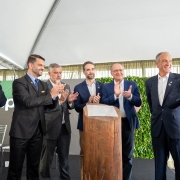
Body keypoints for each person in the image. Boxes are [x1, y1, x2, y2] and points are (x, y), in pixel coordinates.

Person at [7, 54, 62, 180]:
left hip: (37, 133)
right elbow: (28, 102)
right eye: (40, 65)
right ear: (30, 65)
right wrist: (50, 95)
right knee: (15, 169)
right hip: (20, 132)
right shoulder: (19, 82)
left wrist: (57, 99)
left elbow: (46, 106)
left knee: (34, 168)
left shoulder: (43, 85)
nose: (43, 68)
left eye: (43, 65)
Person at [101, 63, 141, 180]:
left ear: (123, 71)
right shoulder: (106, 87)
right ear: (111, 73)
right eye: (116, 71)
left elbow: (138, 102)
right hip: (111, 125)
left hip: (127, 123)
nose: (119, 72)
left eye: (120, 70)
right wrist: (115, 95)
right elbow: (103, 102)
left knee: (127, 155)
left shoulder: (132, 84)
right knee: (112, 154)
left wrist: (130, 96)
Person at [39, 63, 78, 180]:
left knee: (64, 159)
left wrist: (70, 101)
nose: (58, 75)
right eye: (55, 72)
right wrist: (59, 101)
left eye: (60, 72)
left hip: (64, 128)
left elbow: (69, 106)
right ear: (49, 73)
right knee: (47, 160)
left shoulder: (66, 86)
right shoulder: (42, 87)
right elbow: (42, 108)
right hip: (49, 128)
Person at [145, 52, 180, 180]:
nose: (168, 63)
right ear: (157, 63)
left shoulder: (178, 79)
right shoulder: (149, 82)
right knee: (159, 164)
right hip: (158, 128)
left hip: (175, 128)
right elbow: (152, 105)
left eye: (170, 61)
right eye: (165, 60)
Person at [73, 61, 104, 180]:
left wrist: (99, 102)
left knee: (100, 153)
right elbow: (77, 107)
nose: (91, 71)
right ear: (84, 72)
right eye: (88, 69)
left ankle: (99, 177)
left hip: (101, 125)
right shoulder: (78, 87)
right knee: (84, 153)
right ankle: (84, 177)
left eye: (92, 69)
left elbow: (107, 103)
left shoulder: (102, 86)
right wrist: (88, 103)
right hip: (84, 125)